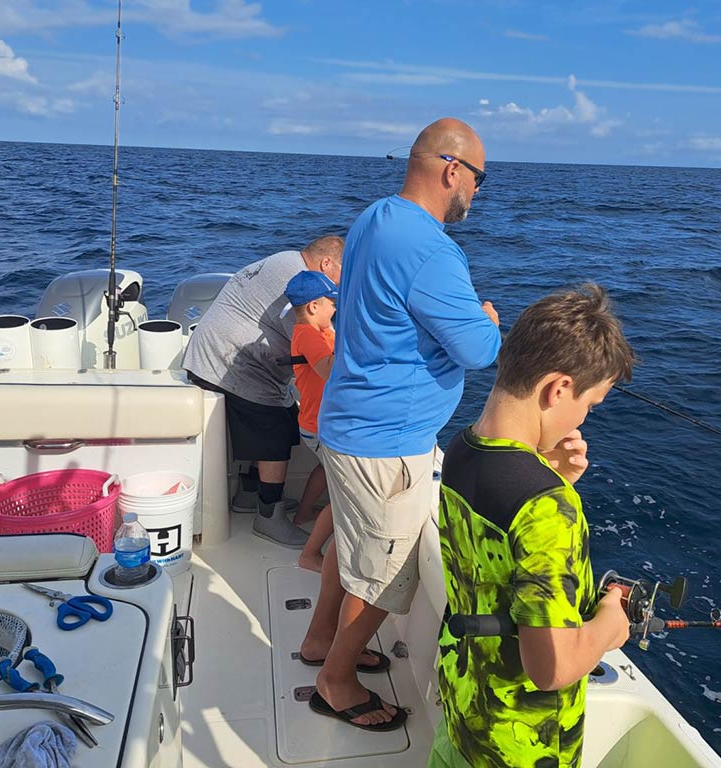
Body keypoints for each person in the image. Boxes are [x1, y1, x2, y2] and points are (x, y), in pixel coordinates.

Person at [300, 117, 501, 731]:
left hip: (346, 421)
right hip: (386, 443)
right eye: (479, 178)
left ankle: (318, 640)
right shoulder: (433, 248)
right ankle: (334, 681)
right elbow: (479, 349)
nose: (478, 191)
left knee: (356, 547)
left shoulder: (374, 218)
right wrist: (488, 318)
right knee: (386, 571)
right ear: (451, 170)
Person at [428, 284, 637, 768]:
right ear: (558, 389)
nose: (583, 417)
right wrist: (611, 623)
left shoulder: (462, 448)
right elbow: (553, 667)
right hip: (518, 748)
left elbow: (498, 542)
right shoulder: (547, 508)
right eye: (590, 403)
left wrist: (551, 472)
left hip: (463, 711)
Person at [182, 235, 343, 548]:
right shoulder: (295, 278)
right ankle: (269, 516)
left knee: (281, 413)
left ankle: (249, 494)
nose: (338, 293)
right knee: (277, 429)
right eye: (341, 274)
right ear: (326, 264)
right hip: (228, 364)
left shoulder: (287, 261)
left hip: (214, 357)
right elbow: (311, 332)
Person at [282, 270, 339, 572]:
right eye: (331, 302)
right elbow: (330, 369)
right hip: (321, 426)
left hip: (317, 424)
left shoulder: (322, 330)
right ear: (313, 307)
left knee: (325, 470)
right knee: (345, 490)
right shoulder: (306, 334)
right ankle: (311, 554)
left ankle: (302, 515)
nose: (335, 307)